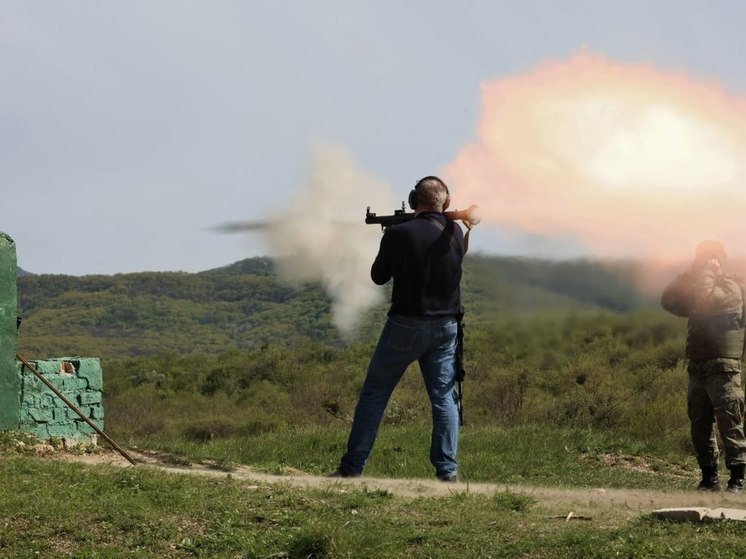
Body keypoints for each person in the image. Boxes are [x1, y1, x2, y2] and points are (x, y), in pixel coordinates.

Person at [330, 176, 468, 482]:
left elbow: (379, 276)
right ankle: (448, 472)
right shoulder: (456, 231)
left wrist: (391, 237)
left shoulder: (400, 233)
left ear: (412, 200)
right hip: (446, 326)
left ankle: (352, 469)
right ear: (444, 202)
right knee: (444, 399)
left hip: (406, 323)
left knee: (374, 395)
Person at [661, 240, 746, 492]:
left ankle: (737, 480)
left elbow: (708, 301)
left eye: (710, 258)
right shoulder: (700, 287)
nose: (706, 263)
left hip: (724, 369)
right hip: (698, 369)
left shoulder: (732, 288)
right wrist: (690, 273)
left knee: (730, 424)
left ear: (720, 260)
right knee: (699, 426)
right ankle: (709, 478)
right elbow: (669, 300)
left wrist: (707, 272)